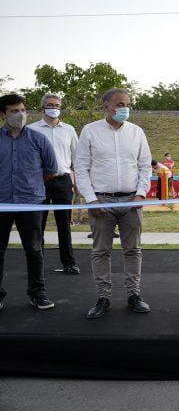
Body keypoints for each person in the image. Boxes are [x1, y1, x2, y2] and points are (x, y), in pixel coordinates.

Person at [75, 88, 153, 319]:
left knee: (133, 250)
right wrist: (90, 199)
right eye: (119, 104)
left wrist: (140, 194)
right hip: (101, 200)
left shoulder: (137, 132)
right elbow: (80, 167)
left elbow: (145, 165)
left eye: (127, 104)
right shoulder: (90, 131)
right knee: (101, 251)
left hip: (131, 200)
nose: (124, 108)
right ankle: (103, 297)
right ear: (105, 106)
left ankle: (134, 295)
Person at [0, 93, 58, 310]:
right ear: (3, 114)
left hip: (31, 202)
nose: (20, 115)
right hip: (2, 203)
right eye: (14, 111)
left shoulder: (38, 139)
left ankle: (38, 293)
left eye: (23, 110)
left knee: (34, 250)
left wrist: (30, 185)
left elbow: (50, 170)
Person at [28, 93, 80, 275]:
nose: (54, 107)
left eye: (57, 105)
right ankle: (37, 265)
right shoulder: (31, 129)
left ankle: (69, 263)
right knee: (36, 225)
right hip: (39, 182)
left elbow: (77, 158)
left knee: (64, 224)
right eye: (50, 104)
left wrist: (78, 183)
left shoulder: (69, 130)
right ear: (42, 107)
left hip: (63, 181)